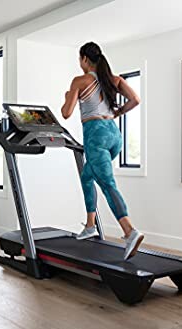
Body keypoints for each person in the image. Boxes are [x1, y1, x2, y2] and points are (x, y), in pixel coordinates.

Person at [61, 41, 143, 260]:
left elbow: (66, 113)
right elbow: (135, 100)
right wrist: (117, 114)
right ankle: (90, 225)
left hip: (95, 134)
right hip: (114, 135)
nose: (79, 63)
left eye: (79, 59)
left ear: (85, 59)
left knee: (107, 184)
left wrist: (68, 95)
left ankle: (129, 231)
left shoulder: (80, 81)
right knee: (88, 175)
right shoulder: (113, 79)